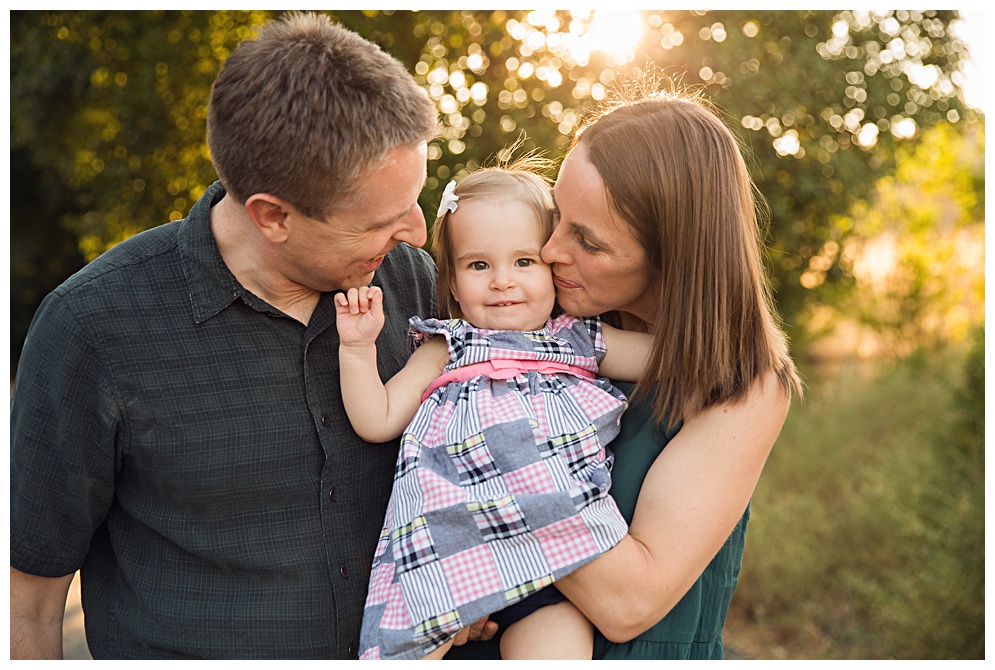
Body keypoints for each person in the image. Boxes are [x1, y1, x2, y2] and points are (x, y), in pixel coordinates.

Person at [10, 12, 444, 659]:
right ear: (273, 216)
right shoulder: (93, 329)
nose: (415, 230)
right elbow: (28, 607)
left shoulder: (410, 284)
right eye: (380, 220)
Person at [447, 87, 803, 660]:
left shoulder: (743, 387)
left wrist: (484, 484)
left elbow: (627, 600)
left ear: (673, 256)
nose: (550, 249)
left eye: (586, 240)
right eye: (558, 217)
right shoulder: (537, 320)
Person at [334, 163, 653, 660]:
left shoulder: (579, 339)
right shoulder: (448, 346)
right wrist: (356, 350)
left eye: (524, 261)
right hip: (448, 555)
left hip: (560, 561)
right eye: (479, 266)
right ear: (455, 284)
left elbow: (676, 357)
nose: (503, 281)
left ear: (555, 268)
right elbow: (377, 420)